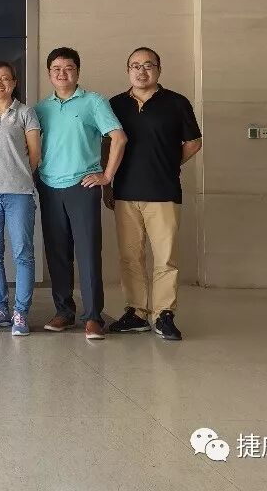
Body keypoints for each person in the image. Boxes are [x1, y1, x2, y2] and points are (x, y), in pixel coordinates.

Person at [104, 48, 202, 341]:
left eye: (148, 65)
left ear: (159, 69)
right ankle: (136, 312)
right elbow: (108, 146)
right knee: (130, 257)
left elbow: (193, 142)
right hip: (125, 192)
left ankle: (163, 314)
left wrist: (169, 163)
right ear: (128, 70)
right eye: (135, 66)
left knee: (166, 258)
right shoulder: (115, 104)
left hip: (163, 192)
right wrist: (107, 185)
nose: (141, 71)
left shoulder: (176, 102)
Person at [35, 47, 126, 341]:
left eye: (69, 68)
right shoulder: (41, 108)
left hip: (82, 186)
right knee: (57, 252)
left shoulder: (94, 102)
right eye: (56, 69)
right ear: (49, 73)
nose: (62, 73)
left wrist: (107, 176)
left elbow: (118, 138)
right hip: (49, 185)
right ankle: (64, 312)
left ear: (77, 71)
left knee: (87, 252)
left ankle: (93, 317)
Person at [0, 61, 41, 337]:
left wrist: (18, 175)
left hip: (19, 193)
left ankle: (20, 312)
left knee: (23, 253)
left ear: (14, 83)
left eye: (4, 79)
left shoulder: (26, 113)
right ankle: (0, 309)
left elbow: (34, 155)